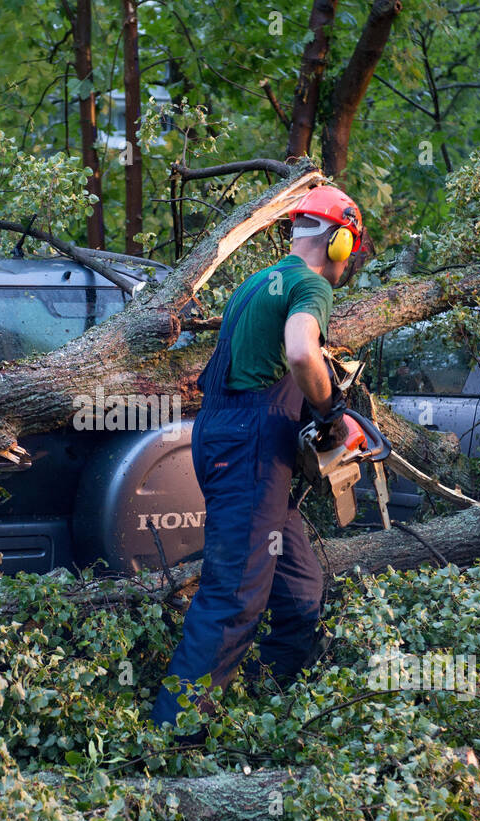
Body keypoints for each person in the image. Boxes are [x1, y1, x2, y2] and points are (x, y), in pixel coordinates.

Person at [151, 186, 368, 732]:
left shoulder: (259, 281)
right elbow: (300, 352)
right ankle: (171, 738)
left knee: (299, 595)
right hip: (249, 449)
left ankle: (258, 710)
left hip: (231, 439)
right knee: (233, 598)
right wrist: (332, 412)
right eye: (353, 248)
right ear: (342, 242)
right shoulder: (310, 284)